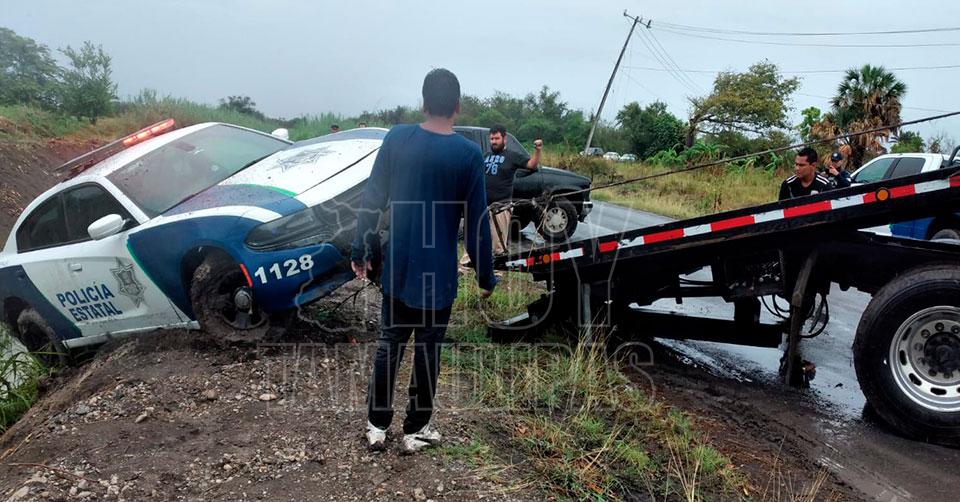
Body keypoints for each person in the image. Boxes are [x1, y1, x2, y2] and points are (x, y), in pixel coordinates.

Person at [352, 68, 496, 454]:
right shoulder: (468, 155)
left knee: (390, 343)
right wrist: (486, 276)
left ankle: (376, 426)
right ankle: (415, 430)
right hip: (439, 274)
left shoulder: (397, 139)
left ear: (423, 102)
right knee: (428, 349)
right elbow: (478, 222)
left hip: (398, 266)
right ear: (458, 107)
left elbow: (371, 198)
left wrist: (360, 251)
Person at [778, 147, 847, 200]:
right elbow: (781, 211)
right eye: (796, 164)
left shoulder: (824, 185)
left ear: (813, 165)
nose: (797, 168)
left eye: (801, 165)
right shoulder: (788, 185)